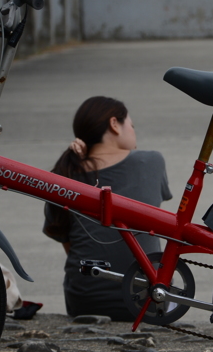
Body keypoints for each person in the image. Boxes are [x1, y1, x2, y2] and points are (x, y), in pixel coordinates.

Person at [43, 96, 172, 320]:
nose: (134, 133)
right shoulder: (151, 162)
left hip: (85, 301)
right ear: (114, 124)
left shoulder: (64, 175)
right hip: (148, 301)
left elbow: (70, 244)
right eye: (132, 125)